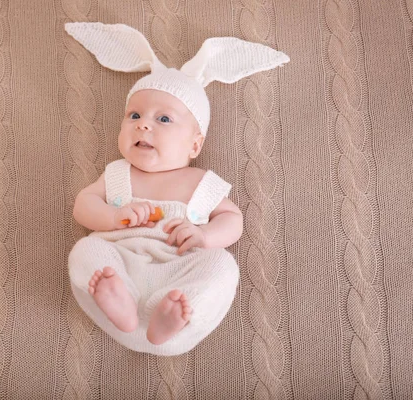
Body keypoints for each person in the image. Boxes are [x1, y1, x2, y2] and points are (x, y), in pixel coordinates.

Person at [65, 22, 289, 356]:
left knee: (223, 266)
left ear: (195, 145)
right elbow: (83, 205)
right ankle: (120, 299)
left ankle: (173, 312)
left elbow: (233, 218)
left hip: (178, 268)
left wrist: (205, 237)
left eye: (163, 119)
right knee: (85, 251)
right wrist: (114, 216)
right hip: (120, 265)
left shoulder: (199, 182)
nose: (143, 124)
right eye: (134, 115)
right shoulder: (118, 174)